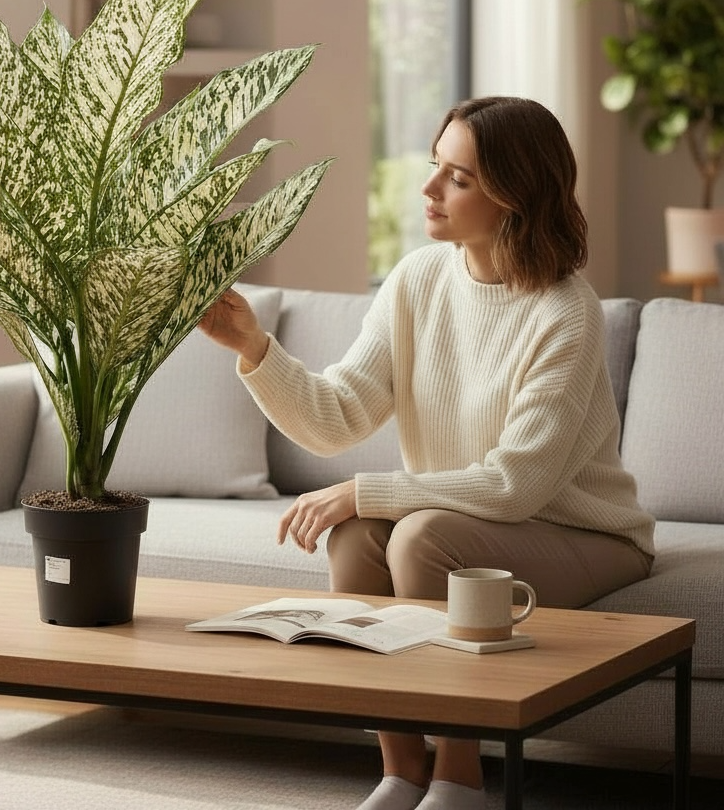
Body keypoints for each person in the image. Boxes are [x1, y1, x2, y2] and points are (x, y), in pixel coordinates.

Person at [199, 96, 655, 810]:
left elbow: (516, 486)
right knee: (355, 535)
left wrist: (366, 490)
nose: (429, 188)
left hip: (582, 532)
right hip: (474, 520)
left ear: (515, 197)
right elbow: (337, 415)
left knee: (422, 539)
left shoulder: (565, 312)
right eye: (436, 165)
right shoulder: (417, 280)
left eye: (459, 177)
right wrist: (253, 349)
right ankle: (402, 772)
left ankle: (460, 778)